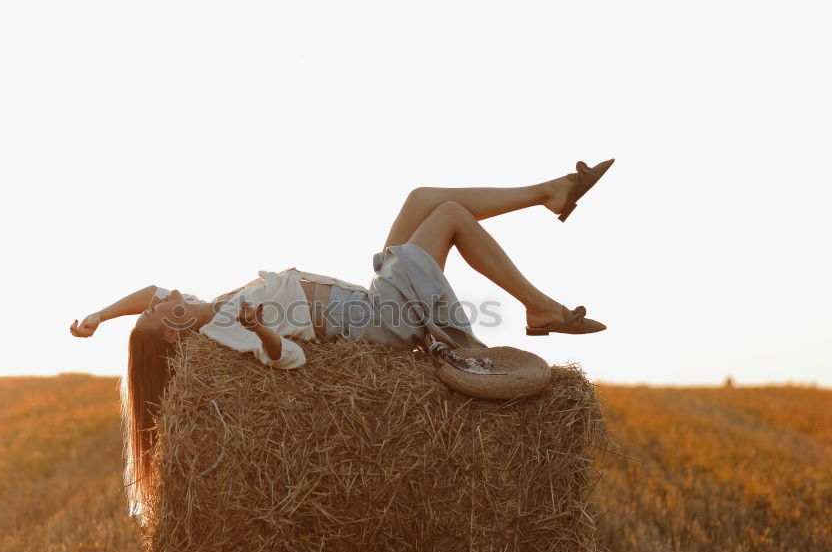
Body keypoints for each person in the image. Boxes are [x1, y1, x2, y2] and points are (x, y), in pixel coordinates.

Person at [69, 159, 613, 521]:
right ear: (173, 331)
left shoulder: (203, 310)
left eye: (161, 302)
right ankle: (538, 306)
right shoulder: (222, 334)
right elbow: (290, 358)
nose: (163, 298)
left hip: (369, 298)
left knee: (421, 196)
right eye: (161, 311)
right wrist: (263, 330)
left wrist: (99, 315)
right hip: (377, 322)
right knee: (446, 215)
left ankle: (550, 192)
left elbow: (145, 293)